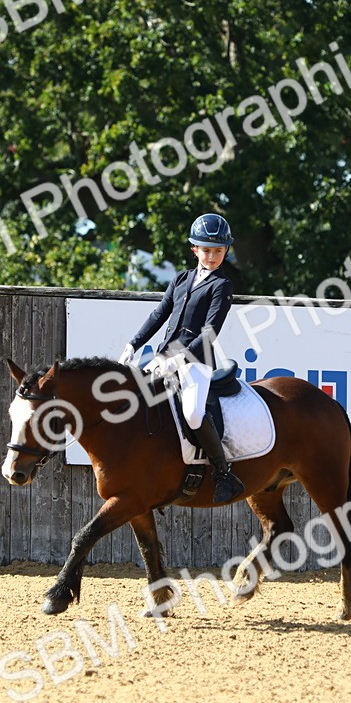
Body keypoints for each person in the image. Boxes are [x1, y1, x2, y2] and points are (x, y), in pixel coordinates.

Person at [118, 213, 244, 503]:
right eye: (207, 250)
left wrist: (182, 358)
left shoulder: (221, 285)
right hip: (163, 356)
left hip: (196, 361)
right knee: (136, 400)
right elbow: (159, 314)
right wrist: (133, 343)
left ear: (226, 251)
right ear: (194, 249)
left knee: (193, 414)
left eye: (219, 251)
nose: (212, 256)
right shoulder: (181, 279)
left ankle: (223, 473)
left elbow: (210, 332)